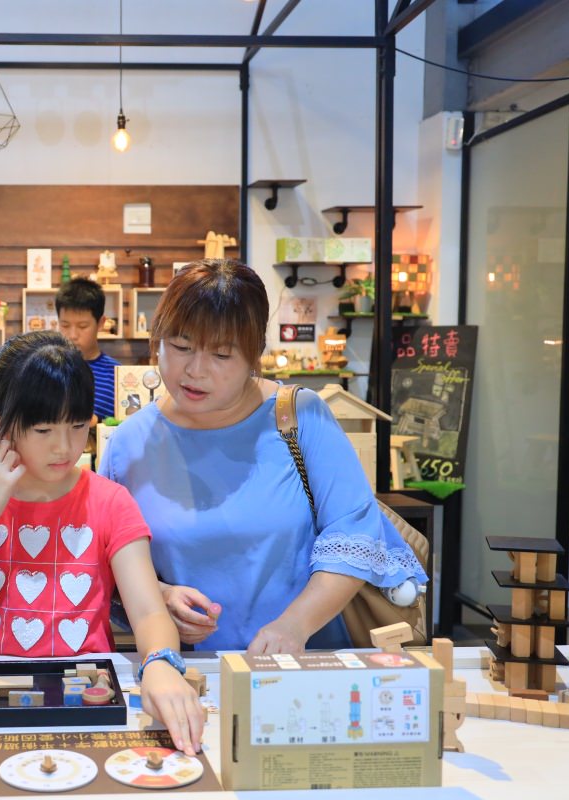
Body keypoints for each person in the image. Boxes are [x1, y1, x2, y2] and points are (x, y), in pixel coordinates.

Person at [99, 259, 427, 655]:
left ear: (254, 355)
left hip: (308, 663)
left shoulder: (300, 418)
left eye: (222, 355)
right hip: (192, 673)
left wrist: (295, 625)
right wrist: (160, 595)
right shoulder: (129, 445)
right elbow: (105, 564)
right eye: (181, 347)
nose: (196, 370)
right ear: (158, 339)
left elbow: (355, 533)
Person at [0, 331, 204, 754]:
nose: (64, 447)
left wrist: (160, 663)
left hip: (86, 700)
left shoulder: (110, 501)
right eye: (43, 429)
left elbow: (149, 610)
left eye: (77, 426)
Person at [56, 278, 120, 422]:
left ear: (101, 323)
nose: (72, 335)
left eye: (82, 326)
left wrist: (98, 423)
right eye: (65, 325)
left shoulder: (116, 375)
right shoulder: (47, 368)